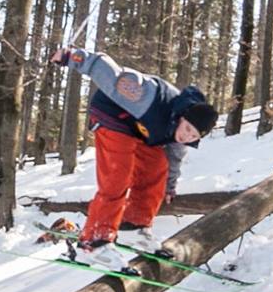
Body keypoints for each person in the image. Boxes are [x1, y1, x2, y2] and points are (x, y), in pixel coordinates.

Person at [49, 46, 218, 249]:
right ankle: (96, 237)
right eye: (188, 129)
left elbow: (174, 160)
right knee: (118, 175)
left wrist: (169, 186)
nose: (186, 136)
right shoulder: (147, 97)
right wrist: (72, 56)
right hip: (111, 116)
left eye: (194, 136)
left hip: (137, 129)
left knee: (157, 166)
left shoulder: (180, 138)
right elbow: (110, 72)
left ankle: (133, 226)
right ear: (182, 117)